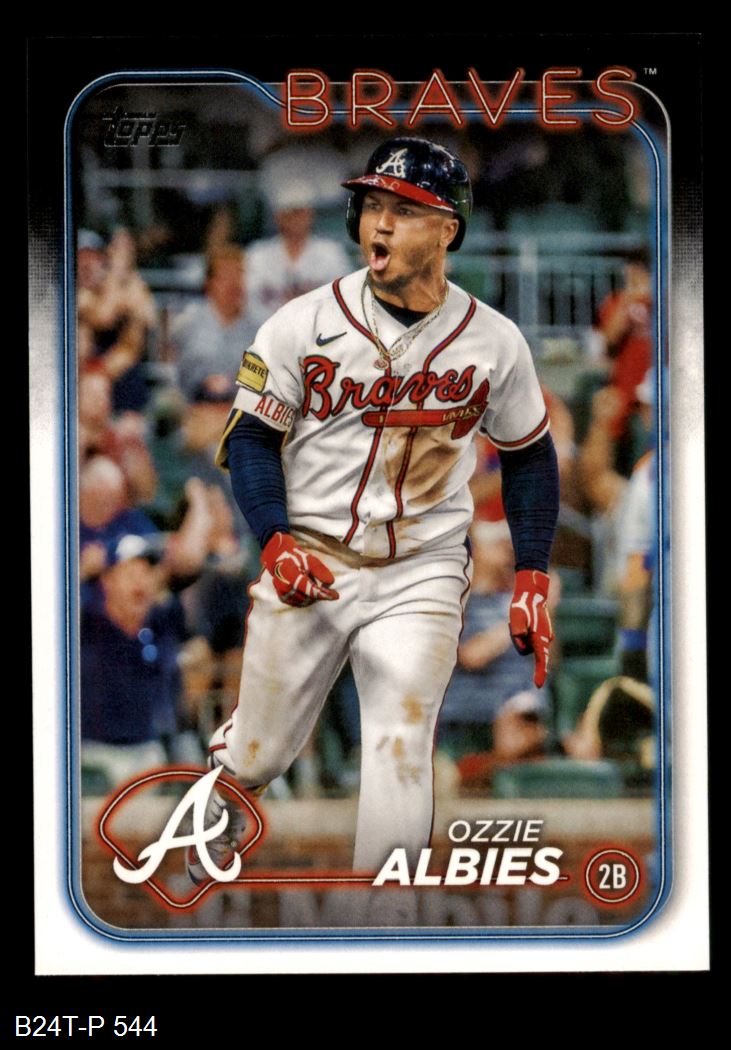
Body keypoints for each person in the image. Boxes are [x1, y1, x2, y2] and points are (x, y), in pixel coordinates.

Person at [191, 137, 559, 880]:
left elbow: (529, 454)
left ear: (447, 229)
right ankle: (225, 797)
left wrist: (530, 574)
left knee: (400, 734)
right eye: (371, 207)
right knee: (260, 749)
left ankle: (386, 916)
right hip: (311, 554)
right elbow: (253, 440)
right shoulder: (299, 324)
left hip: (422, 567)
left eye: (404, 209)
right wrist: (273, 541)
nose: (379, 224)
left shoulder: (494, 340)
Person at [245, 180, 350, 326]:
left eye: (301, 212)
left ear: (310, 214)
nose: (295, 219)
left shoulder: (331, 253)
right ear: (278, 217)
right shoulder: (257, 254)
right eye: (290, 213)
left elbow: (343, 300)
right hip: (270, 330)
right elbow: (249, 304)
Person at [168, 246, 258, 401]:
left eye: (238, 275)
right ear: (209, 283)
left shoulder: (258, 328)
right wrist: (204, 382)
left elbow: (258, 378)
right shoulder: (186, 322)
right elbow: (177, 372)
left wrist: (232, 384)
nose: (233, 284)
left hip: (240, 404)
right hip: (193, 401)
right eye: (225, 277)